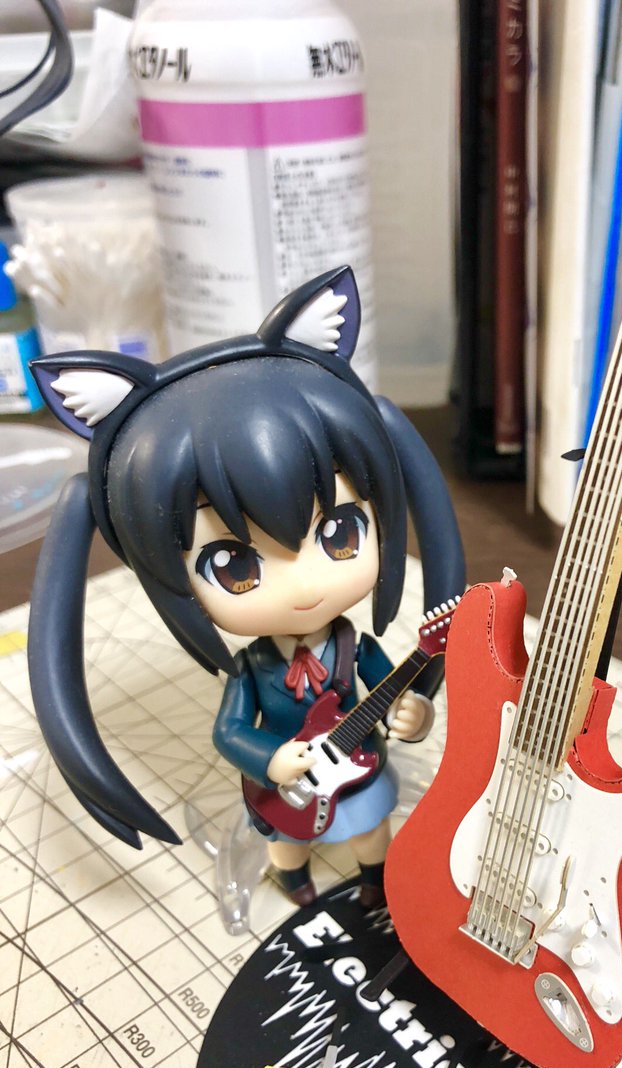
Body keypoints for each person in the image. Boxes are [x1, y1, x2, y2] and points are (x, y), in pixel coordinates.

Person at [27, 266, 465, 907]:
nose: (304, 583)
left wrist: (416, 710)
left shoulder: (355, 647)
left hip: (359, 768)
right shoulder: (255, 669)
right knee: (287, 843)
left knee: (373, 833)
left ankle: (377, 884)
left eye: (340, 533)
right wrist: (272, 759)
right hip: (289, 783)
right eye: (235, 568)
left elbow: (393, 686)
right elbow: (229, 731)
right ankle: (294, 881)